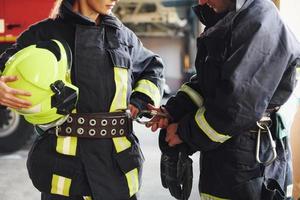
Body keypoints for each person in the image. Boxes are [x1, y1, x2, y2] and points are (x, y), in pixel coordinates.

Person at [0, 0, 164, 199]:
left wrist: (142, 99)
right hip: (65, 175)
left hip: (116, 174)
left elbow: (153, 68)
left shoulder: (124, 37)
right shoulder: (43, 34)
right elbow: (6, 67)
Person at [148, 0, 300, 199]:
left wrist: (185, 133)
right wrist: (173, 111)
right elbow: (208, 83)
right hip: (226, 151)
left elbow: (237, 106)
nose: (201, 2)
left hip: (249, 154)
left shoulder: (261, 20)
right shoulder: (232, 18)